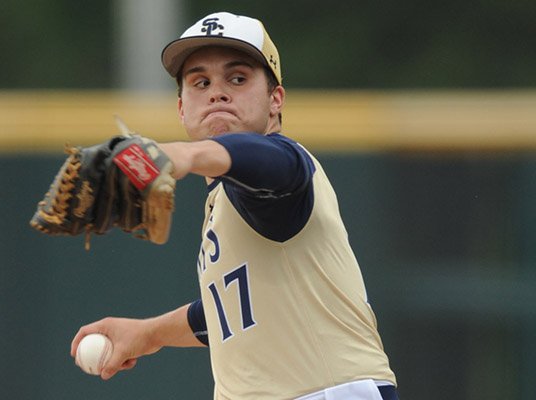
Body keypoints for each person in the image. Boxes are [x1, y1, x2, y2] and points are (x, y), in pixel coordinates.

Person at [70, 11, 399, 400]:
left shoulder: (284, 167)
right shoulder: (227, 198)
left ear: (275, 99)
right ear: (181, 108)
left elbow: (257, 158)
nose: (217, 92)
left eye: (238, 78)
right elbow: (234, 311)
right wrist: (147, 334)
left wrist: (179, 155)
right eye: (200, 82)